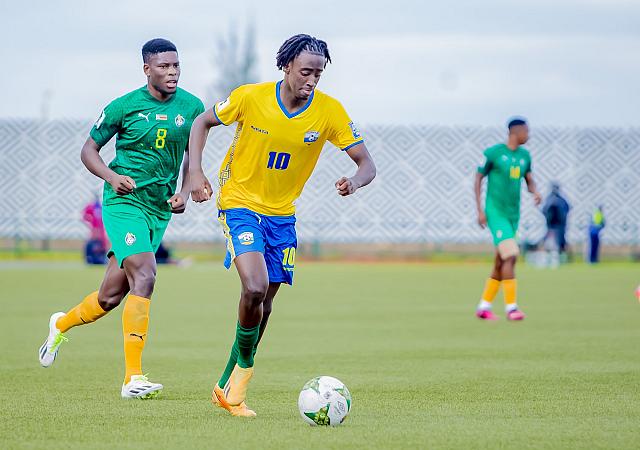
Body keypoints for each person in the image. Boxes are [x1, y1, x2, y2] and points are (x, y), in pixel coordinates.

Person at [189, 34, 376, 417]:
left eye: (318, 74)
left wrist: (354, 182)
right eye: (306, 71)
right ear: (286, 66)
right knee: (254, 287)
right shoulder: (250, 97)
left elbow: (367, 164)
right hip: (239, 204)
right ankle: (242, 378)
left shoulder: (329, 112)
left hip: (282, 215)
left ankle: (225, 386)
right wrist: (196, 172)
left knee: (265, 304)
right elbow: (201, 122)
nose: (312, 80)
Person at [38, 38, 204, 399]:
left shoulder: (192, 107)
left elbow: (192, 155)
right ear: (147, 69)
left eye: (176, 65)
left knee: (110, 297)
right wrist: (112, 177)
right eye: (164, 66)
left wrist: (185, 190)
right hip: (123, 203)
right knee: (146, 273)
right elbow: (88, 150)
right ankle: (133, 379)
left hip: (158, 208)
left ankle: (60, 324)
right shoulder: (123, 107)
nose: (172, 72)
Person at [474, 118, 542, 321]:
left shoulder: (524, 156)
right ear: (515, 132)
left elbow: (528, 179)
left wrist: (535, 192)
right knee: (511, 255)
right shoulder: (494, 153)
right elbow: (478, 178)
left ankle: (484, 307)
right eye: (526, 132)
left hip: (513, 215)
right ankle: (512, 308)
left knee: (501, 261)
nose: (528, 135)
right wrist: (480, 210)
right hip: (496, 213)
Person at [542, 182, 571, 256]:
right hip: (552, 224)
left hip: (559, 224)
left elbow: (566, 209)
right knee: (551, 240)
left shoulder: (556, 199)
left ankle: (561, 254)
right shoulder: (551, 199)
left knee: (560, 240)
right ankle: (551, 254)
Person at [82, 195, 108, 264]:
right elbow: (84, 216)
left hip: (101, 229)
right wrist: (90, 220)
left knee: (103, 243)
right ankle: (88, 258)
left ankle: (103, 257)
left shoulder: (101, 207)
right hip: (94, 229)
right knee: (90, 243)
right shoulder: (91, 207)